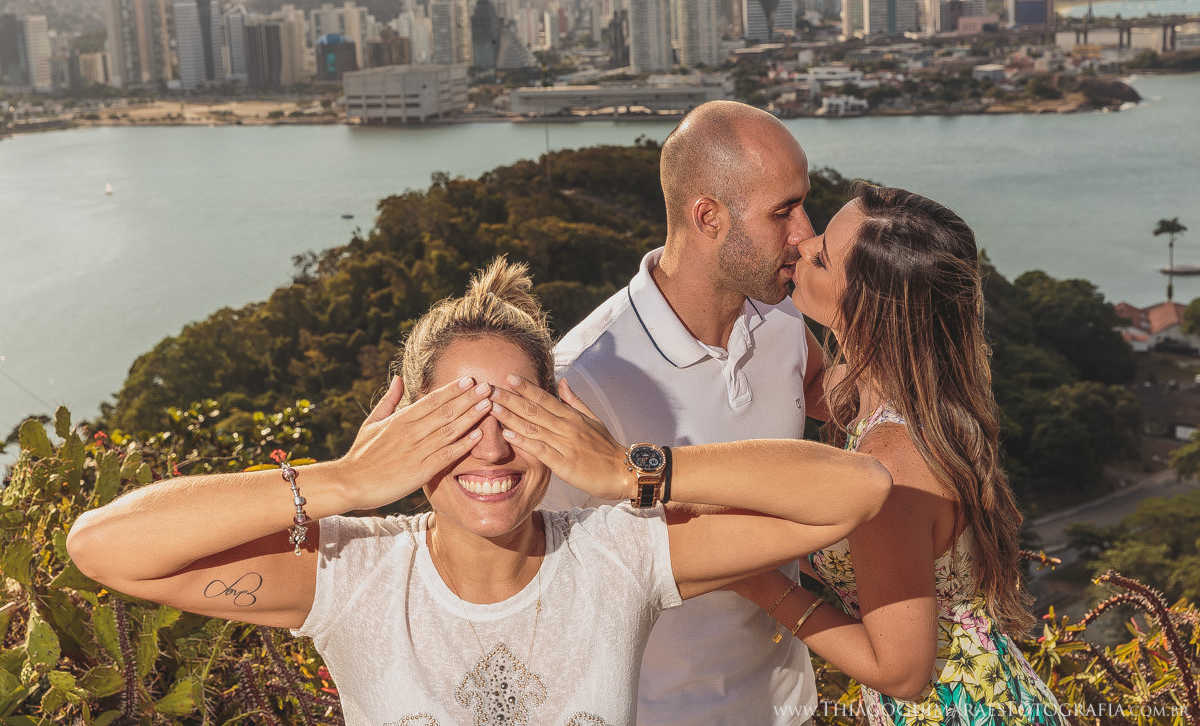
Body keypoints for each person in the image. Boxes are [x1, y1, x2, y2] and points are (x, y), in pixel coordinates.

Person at [67, 257, 891, 726]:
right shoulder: (355, 576)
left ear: (556, 417)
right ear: (406, 427)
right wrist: (344, 481)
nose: (491, 447)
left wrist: (626, 471)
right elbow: (101, 548)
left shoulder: (620, 554)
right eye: (456, 421)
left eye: (517, 415)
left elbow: (856, 489)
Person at [730, 183, 1065, 726]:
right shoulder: (907, 392)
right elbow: (809, 383)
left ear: (865, 309)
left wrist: (756, 581)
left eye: (822, 257)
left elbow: (902, 673)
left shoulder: (891, 465)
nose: (803, 245)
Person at [545, 100, 826, 725]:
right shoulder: (585, 378)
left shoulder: (782, 315)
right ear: (708, 216)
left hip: (789, 706)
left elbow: (828, 393)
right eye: (783, 211)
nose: (806, 233)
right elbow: (541, 589)